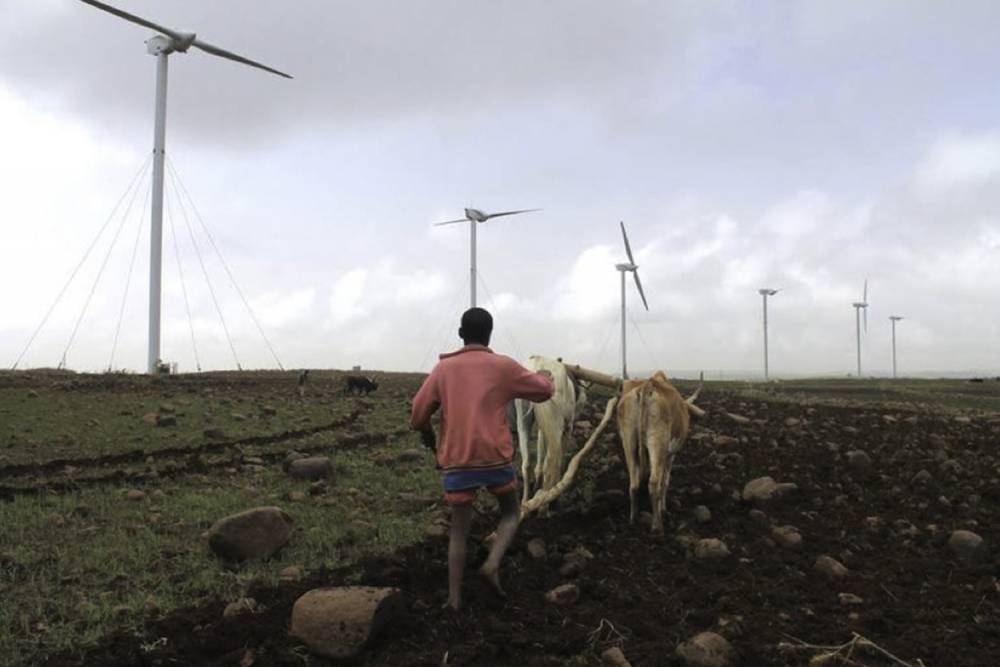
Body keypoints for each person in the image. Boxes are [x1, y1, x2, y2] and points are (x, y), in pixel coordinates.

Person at [410, 307, 554, 610]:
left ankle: (454, 599)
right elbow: (543, 392)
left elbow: (417, 414)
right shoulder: (502, 367)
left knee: (459, 531)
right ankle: (492, 563)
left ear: (461, 334)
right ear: (490, 335)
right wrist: (546, 377)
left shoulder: (443, 370)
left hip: (457, 464)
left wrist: (427, 432)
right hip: (495, 462)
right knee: (511, 513)